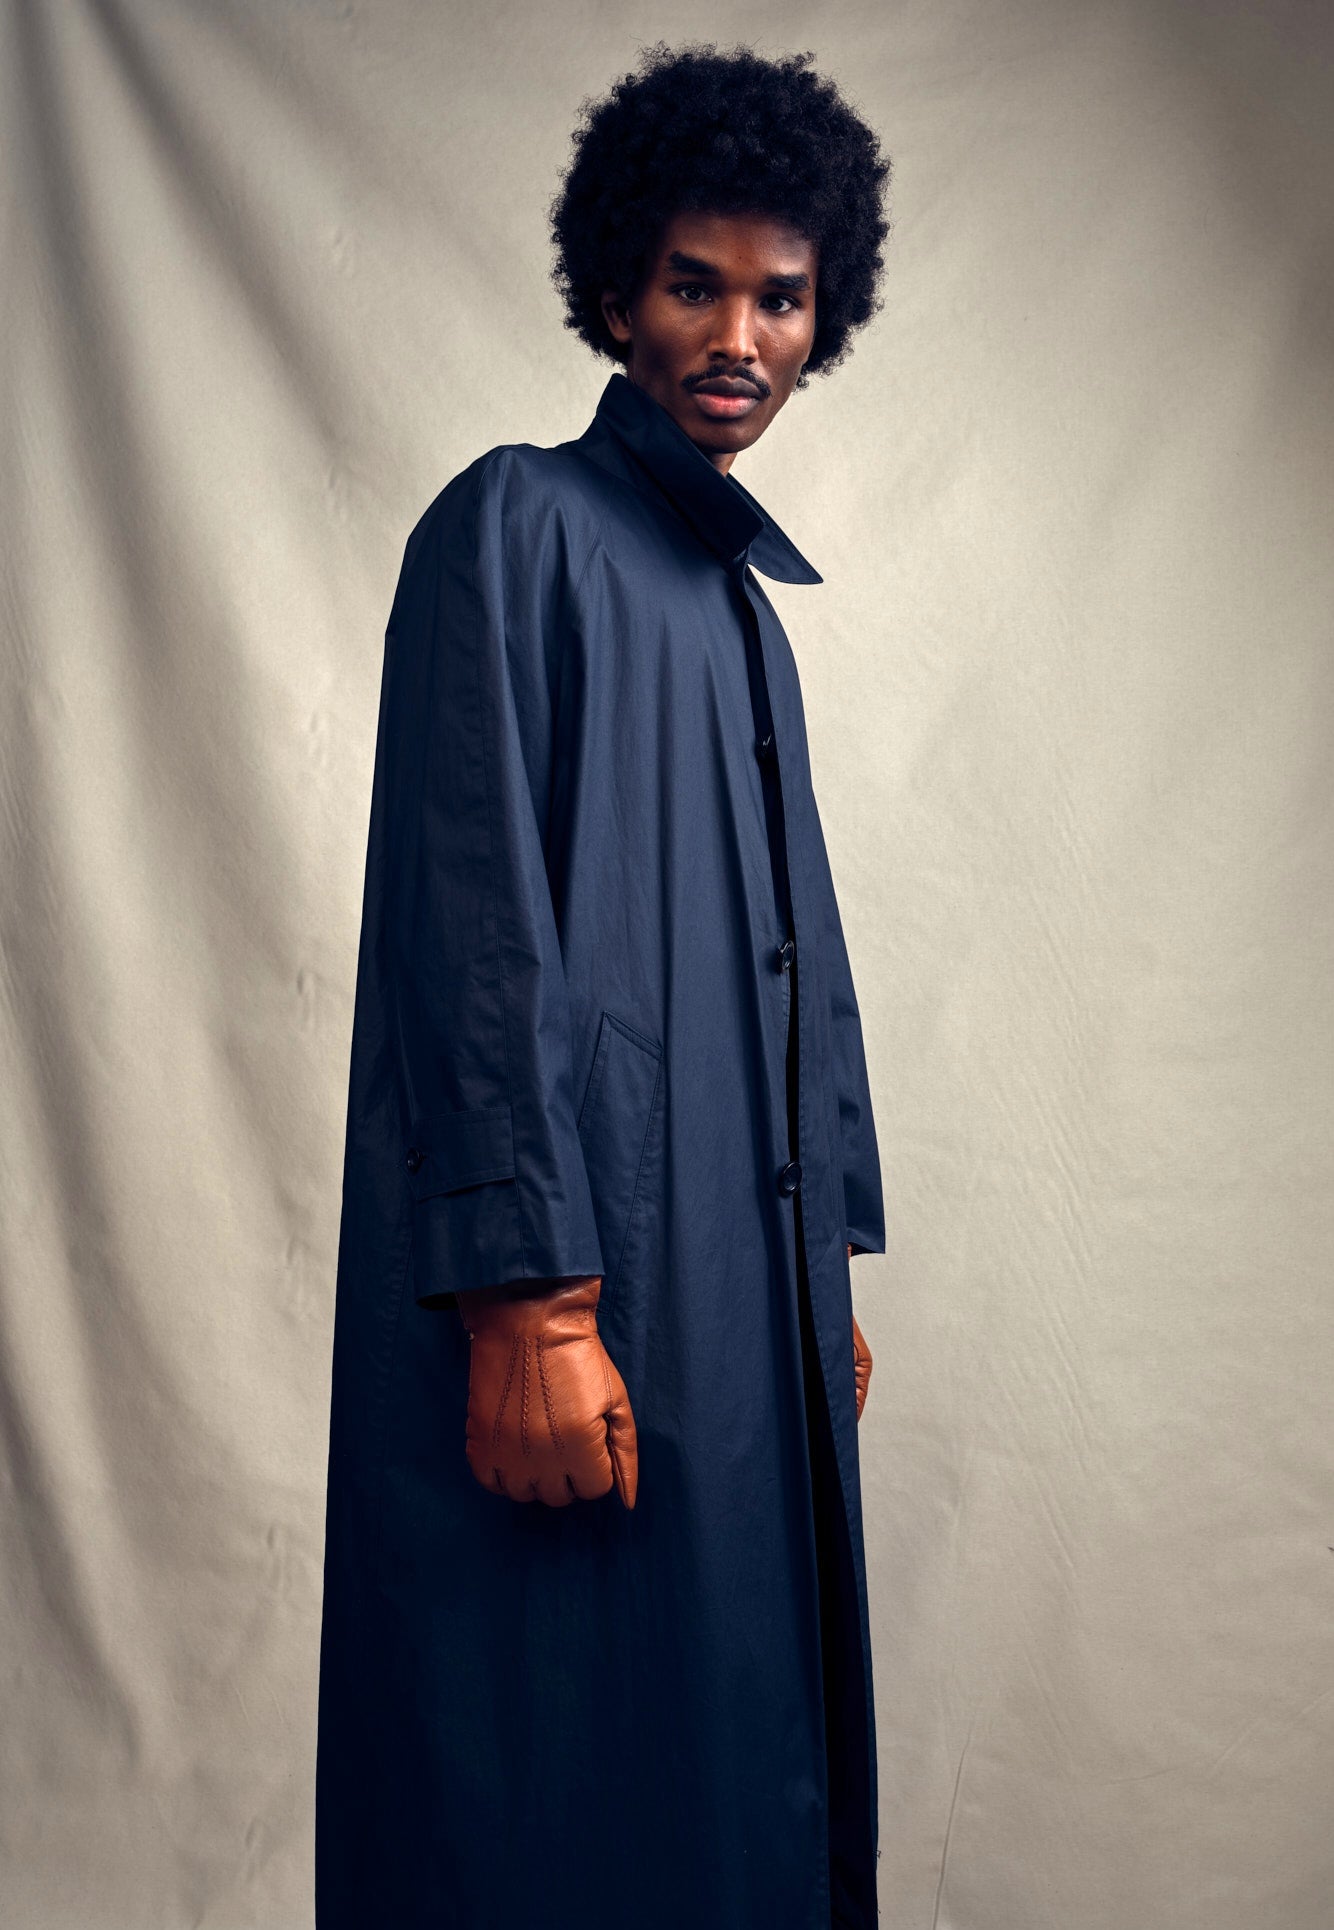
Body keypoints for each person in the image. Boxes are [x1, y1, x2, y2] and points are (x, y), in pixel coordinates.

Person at [315, 39, 892, 1930]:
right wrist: (528, 1300)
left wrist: (830, 1272)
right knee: (542, 1756)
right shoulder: (516, 526)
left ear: (828, 317)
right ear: (615, 294)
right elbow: (469, 931)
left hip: (742, 1289)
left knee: (729, 1750)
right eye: (693, 283)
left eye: (781, 296)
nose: (738, 334)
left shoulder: (740, 612)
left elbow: (799, 963)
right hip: (584, 1269)